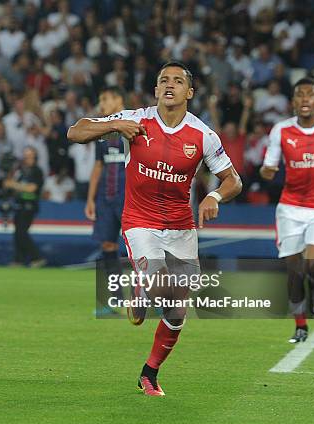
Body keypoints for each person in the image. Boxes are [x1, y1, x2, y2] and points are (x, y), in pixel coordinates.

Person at [68, 61, 242, 396]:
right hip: (139, 222)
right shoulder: (136, 120)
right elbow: (75, 132)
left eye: (178, 81)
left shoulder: (203, 135)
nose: (169, 85)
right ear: (155, 89)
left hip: (181, 227)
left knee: (177, 311)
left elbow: (233, 180)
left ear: (189, 92)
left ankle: (149, 373)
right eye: (163, 80)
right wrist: (117, 124)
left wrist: (216, 196)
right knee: (159, 284)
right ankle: (143, 286)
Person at [259, 77, 314, 344]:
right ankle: (300, 326)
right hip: (290, 208)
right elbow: (267, 168)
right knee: (294, 272)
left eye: (310, 94)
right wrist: (267, 171)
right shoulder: (281, 130)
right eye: (300, 94)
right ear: (294, 101)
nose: (305, 99)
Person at [84, 86, 127, 315]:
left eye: (104, 99)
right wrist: (90, 199)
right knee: (108, 246)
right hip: (106, 197)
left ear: (118, 99)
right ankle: (115, 300)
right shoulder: (101, 131)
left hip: (130, 196)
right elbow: (98, 165)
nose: (101, 105)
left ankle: (157, 301)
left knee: (142, 248)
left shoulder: (134, 124)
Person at [3, 146, 45, 267]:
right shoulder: (20, 171)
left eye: (30, 156)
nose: (27, 159)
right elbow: (7, 184)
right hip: (19, 204)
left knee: (21, 232)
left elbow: (32, 188)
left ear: (35, 157)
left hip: (30, 205)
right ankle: (19, 259)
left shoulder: (37, 171)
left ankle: (37, 257)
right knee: (17, 233)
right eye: (26, 156)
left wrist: (13, 185)